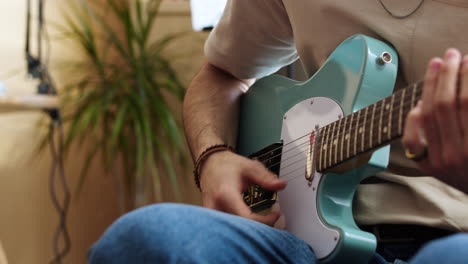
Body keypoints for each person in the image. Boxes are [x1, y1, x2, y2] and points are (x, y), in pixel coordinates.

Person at [88, 0, 468, 263]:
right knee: (142, 238)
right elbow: (222, 74)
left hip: (450, 234)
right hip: (298, 233)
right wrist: (212, 157)